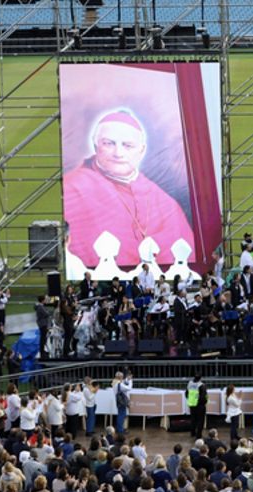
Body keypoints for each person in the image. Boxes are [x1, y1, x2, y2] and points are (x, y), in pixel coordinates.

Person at [63, 110, 195, 268]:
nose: (118, 153)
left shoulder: (165, 203)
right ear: (95, 144)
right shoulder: (72, 188)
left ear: (141, 150)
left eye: (128, 146)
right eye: (109, 143)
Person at [186, 375, 208, 439]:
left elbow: (186, 393)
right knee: (200, 420)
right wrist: (203, 402)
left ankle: (192, 433)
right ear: (200, 378)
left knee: (193, 419)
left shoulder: (190, 384)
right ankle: (199, 435)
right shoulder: (201, 385)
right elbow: (203, 396)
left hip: (192, 404)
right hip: (199, 404)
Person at [61, 285, 77, 357]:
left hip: (69, 322)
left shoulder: (67, 307)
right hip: (67, 323)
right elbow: (70, 313)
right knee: (68, 337)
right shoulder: (65, 309)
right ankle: (66, 350)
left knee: (69, 337)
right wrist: (73, 306)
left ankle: (68, 349)